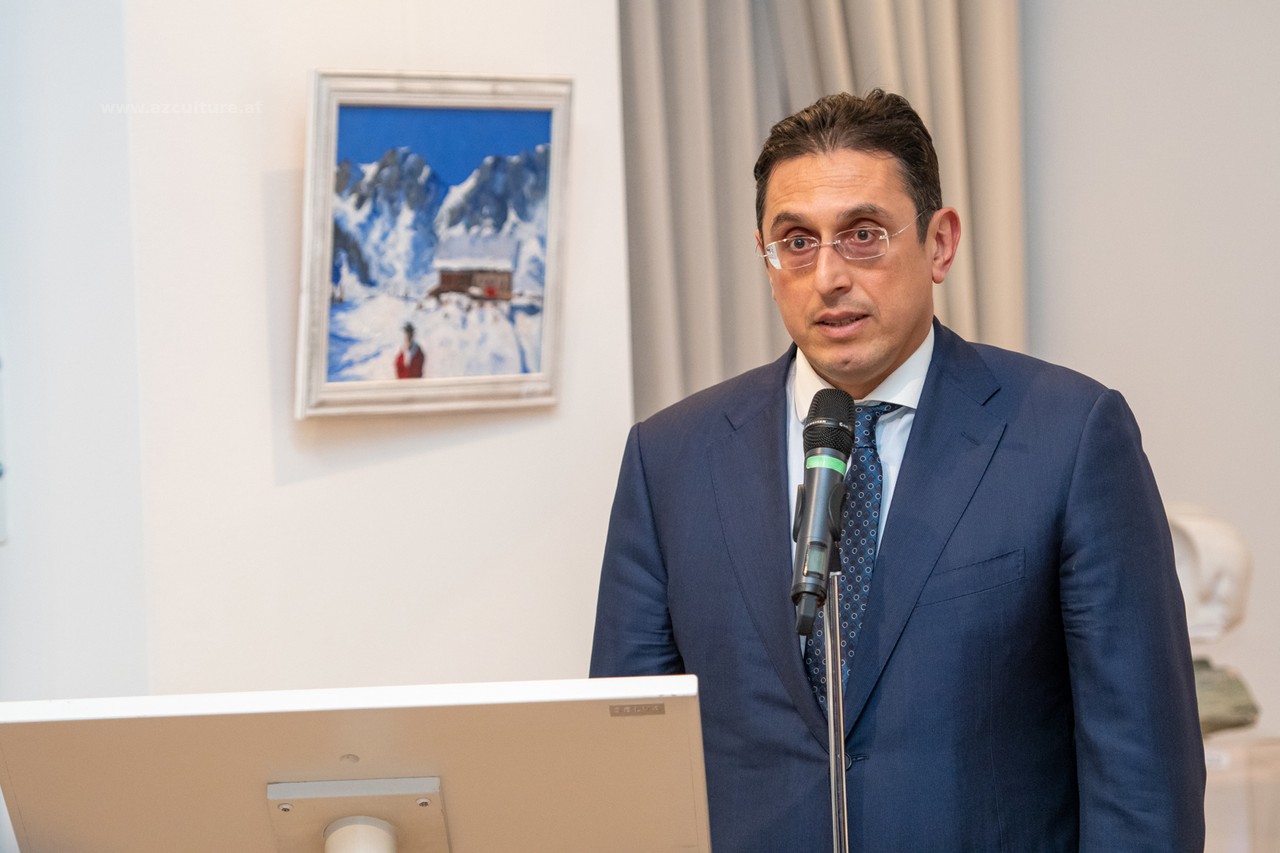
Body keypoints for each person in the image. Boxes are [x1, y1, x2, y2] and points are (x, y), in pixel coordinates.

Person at [589, 90, 1204, 851]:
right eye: (796, 241)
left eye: (863, 235)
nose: (828, 276)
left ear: (939, 244)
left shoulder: (1068, 437)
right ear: (767, 259)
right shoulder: (671, 459)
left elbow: (1143, 781)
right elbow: (627, 765)